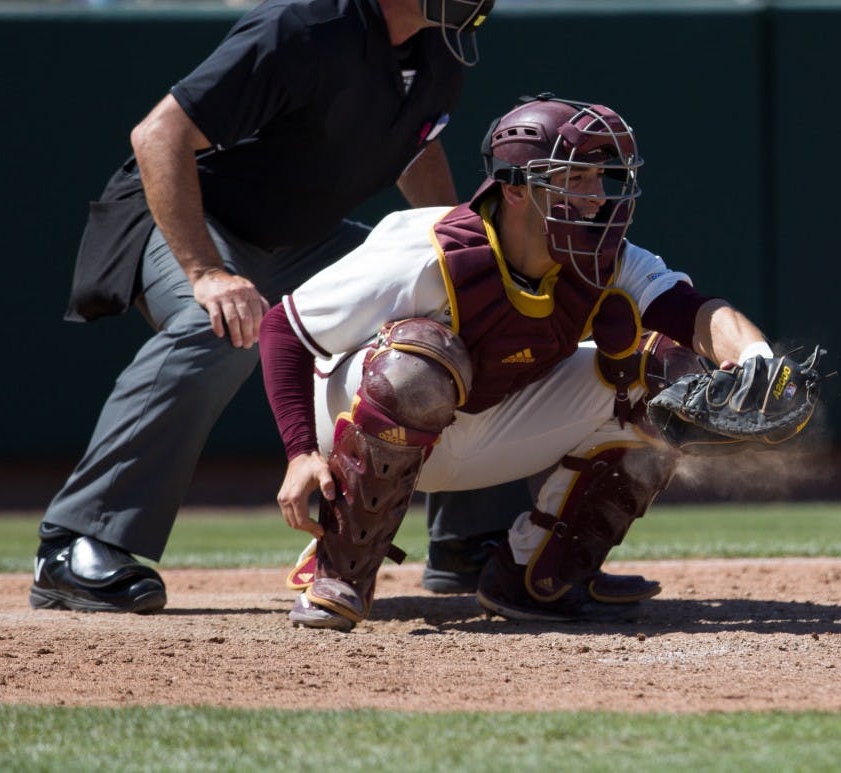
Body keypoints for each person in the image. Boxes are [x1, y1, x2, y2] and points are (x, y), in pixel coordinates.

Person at [29, 0, 507, 615]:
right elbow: (159, 135)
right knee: (221, 324)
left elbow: (418, 151)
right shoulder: (301, 27)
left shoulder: (440, 49)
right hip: (192, 221)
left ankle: (468, 539)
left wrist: (452, 258)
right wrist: (205, 273)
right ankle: (76, 541)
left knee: (463, 302)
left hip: (301, 239)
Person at [258, 93, 802, 631]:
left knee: (667, 373)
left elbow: (693, 311)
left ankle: (537, 578)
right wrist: (300, 451)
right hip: (356, 421)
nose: (595, 198)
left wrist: (755, 360)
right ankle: (340, 570)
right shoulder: (426, 247)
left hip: (482, 431)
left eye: (600, 177)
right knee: (419, 360)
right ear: (516, 189)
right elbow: (283, 326)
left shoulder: (606, 255)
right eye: (574, 180)